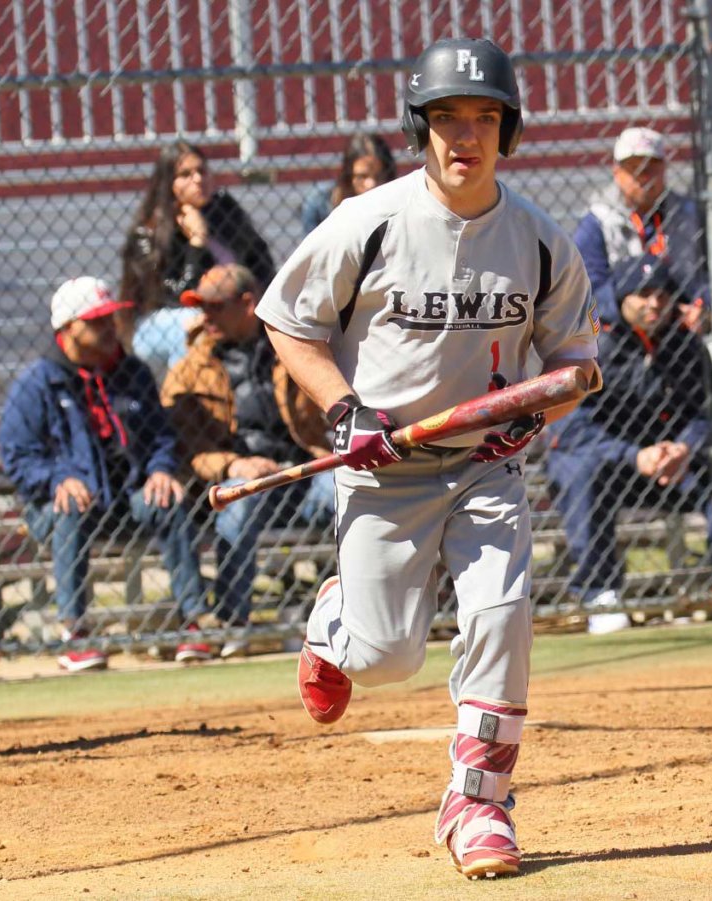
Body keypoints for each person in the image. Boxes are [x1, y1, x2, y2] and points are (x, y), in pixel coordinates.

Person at [253, 37, 600, 879]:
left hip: (486, 465)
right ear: (421, 127)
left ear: (508, 130)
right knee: (386, 659)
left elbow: (572, 366)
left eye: (484, 118)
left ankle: (477, 802)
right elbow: (287, 321)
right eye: (446, 118)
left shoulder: (541, 242)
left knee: (500, 615)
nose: (465, 136)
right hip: (381, 466)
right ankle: (338, 619)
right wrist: (345, 411)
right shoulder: (367, 222)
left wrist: (535, 416)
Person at [0, 277, 207, 672]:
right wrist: (56, 478)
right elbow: (18, 455)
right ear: (68, 328)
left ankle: (194, 622)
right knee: (71, 506)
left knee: (168, 498)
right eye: (97, 321)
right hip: (61, 507)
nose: (110, 329)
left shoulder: (133, 373)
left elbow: (161, 436)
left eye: (111, 319)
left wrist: (161, 470)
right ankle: (75, 633)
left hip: (125, 498)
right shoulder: (37, 383)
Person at [160, 264, 336, 658]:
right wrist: (232, 465)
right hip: (239, 482)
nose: (206, 316)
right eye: (200, 307)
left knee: (351, 491)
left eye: (216, 306)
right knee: (242, 497)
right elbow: (187, 446)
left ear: (247, 304)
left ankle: (371, 614)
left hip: (300, 474)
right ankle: (233, 623)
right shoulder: (190, 369)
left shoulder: (289, 348)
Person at [546, 254, 712, 632]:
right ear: (622, 298)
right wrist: (633, 455)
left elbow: (708, 412)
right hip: (611, 464)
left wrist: (684, 447)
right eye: (643, 295)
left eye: (662, 295)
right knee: (576, 468)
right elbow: (569, 429)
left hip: (670, 466)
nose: (654, 303)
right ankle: (599, 593)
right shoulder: (591, 344)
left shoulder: (683, 344)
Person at [119, 140, 276, 380]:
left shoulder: (225, 211)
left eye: (201, 171)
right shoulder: (149, 232)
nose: (197, 179)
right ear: (168, 184)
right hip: (158, 324)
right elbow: (178, 297)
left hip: (227, 310)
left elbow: (261, 265)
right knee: (193, 324)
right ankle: (190, 401)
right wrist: (197, 242)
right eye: (185, 174)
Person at [573, 125, 707, 325]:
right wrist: (624, 305)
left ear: (664, 169)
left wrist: (702, 304)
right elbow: (587, 292)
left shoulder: (687, 213)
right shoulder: (597, 221)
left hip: (683, 322)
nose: (644, 176)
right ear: (617, 172)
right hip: (624, 329)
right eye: (634, 168)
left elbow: (710, 275)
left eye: (652, 167)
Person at [301, 133, 398, 236]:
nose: (371, 184)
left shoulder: (400, 204)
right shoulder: (320, 203)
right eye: (362, 176)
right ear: (349, 176)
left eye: (379, 176)